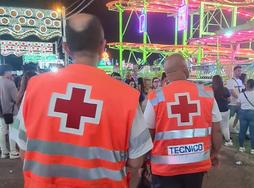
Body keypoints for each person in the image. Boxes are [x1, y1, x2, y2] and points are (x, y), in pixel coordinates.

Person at [15, 14, 153, 188]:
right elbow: (136, 162)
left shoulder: (34, 88)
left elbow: (23, 151)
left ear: (66, 48)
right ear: (102, 46)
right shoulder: (126, 97)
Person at [144, 54, 222, 188]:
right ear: (186, 70)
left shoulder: (155, 97)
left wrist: (145, 160)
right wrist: (215, 152)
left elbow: (146, 135)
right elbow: (217, 130)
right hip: (196, 166)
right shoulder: (206, 94)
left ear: (166, 74)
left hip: (165, 168)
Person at [238, 79, 254, 155]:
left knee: (242, 131)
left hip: (243, 113)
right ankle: (253, 149)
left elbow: (238, 105)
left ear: (247, 85)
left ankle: (241, 147)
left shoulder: (241, 94)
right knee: (253, 133)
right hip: (253, 114)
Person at [0, 65, 20, 159]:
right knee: (13, 131)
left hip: (1, 112)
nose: (11, 73)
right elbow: (16, 98)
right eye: (10, 71)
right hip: (11, 111)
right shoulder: (9, 83)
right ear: (6, 72)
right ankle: (13, 152)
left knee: (2, 131)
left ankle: (4, 152)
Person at [212, 75, 233, 146]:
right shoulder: (225, 89)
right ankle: (228, 141)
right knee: (225, 126)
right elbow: (229, 100)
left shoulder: (211, 90)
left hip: (215, 111)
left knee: (215, 127)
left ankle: (215, 142)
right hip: (225, 110)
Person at [226, 65, 243, 132]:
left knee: (238, 116)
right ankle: (225, 130)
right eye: (238, 71)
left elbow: (241, 91)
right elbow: (232, 92)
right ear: (234, 71)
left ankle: (233, 127)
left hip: (239, 103)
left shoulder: (240, 81)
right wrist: (240, 99)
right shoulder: (230, 81)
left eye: (240, 71)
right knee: (228, 117)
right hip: (232, 103)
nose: (240, 72)